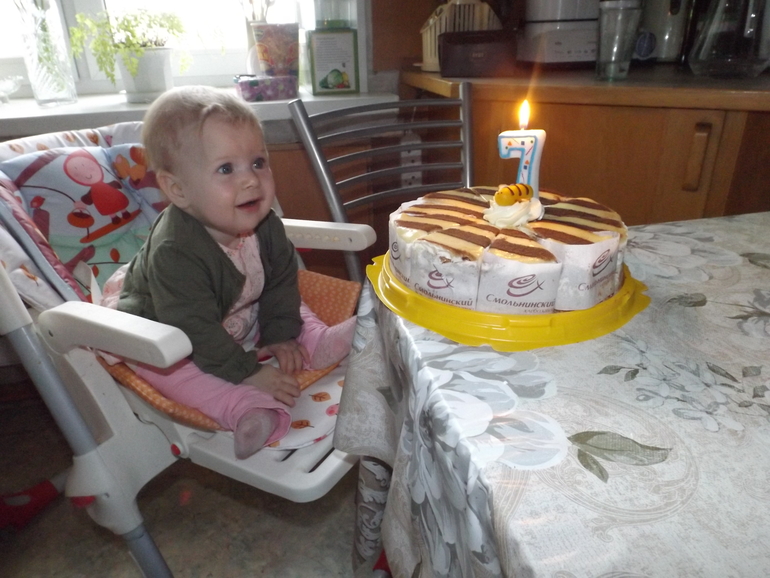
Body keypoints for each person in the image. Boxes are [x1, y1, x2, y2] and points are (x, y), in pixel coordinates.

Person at [101, 86, 356, 459]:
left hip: (231, 308)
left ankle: (316, 342)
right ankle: (241, 407)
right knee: (167, 366)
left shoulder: (264, 223)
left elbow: (281, 281)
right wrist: (247, 372)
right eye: (226, 169)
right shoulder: (176, 252)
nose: (251, 180)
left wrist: (281, 334)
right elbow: (194, 328)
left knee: (294, 297)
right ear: (178, 190)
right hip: (167, 322)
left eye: (258, 162)